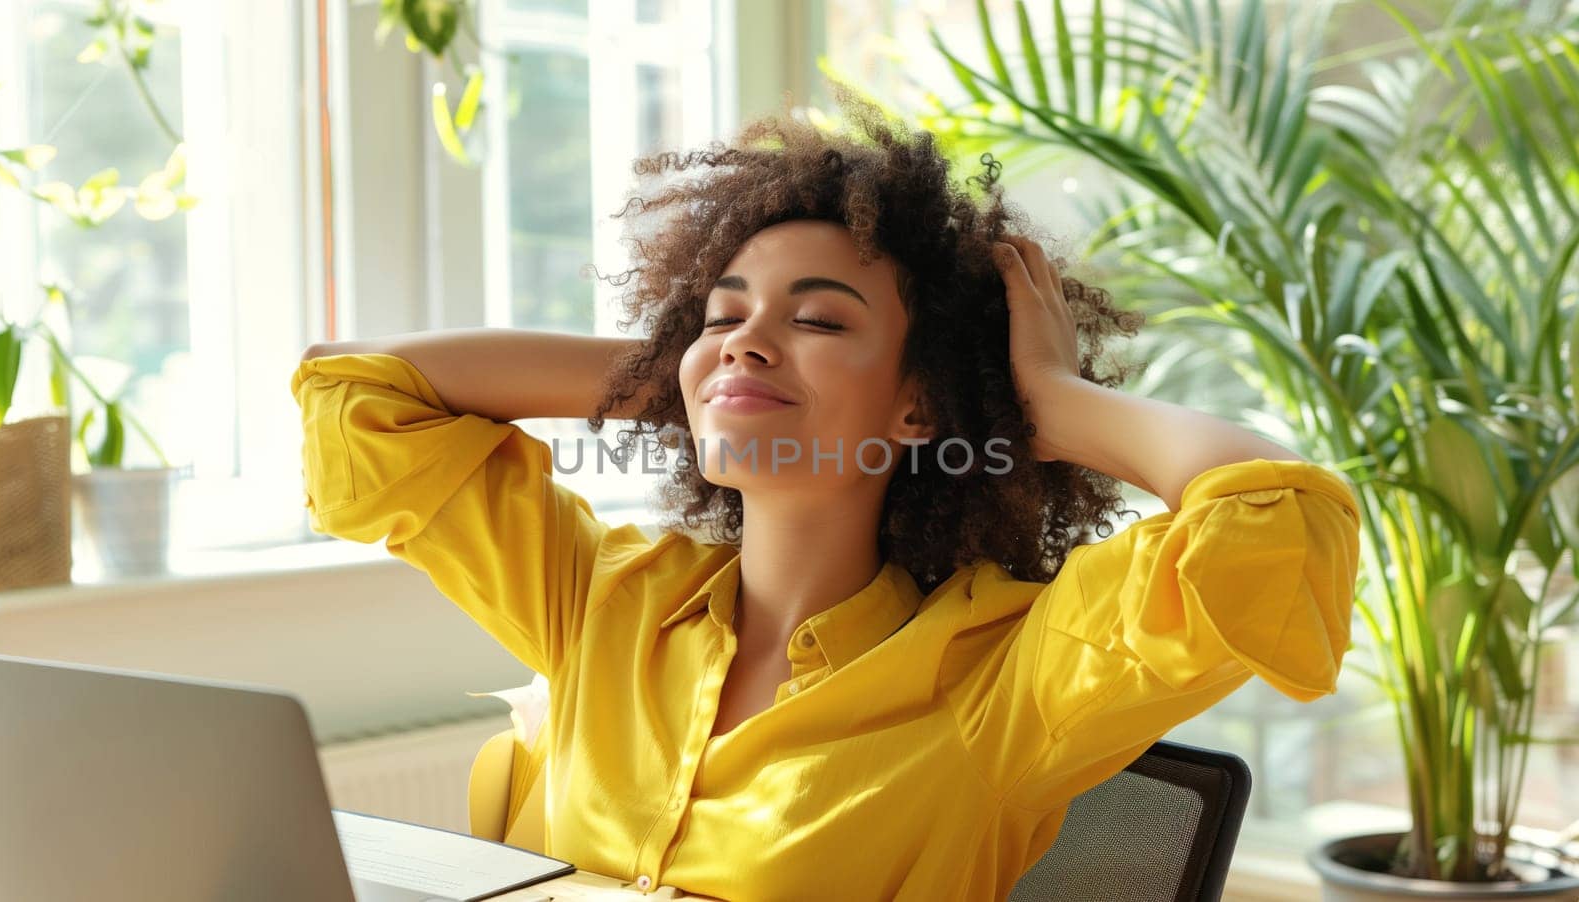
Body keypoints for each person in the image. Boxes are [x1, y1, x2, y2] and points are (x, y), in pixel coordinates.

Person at [292, 82, 1360, 901]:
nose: (749, 337)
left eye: (818, 318)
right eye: (722, 311)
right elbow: (358, 395)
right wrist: (693, 367)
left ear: (918, 407)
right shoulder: (602, 601)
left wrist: (1051, 401)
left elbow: (1276, 520)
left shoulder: (1005, 681)